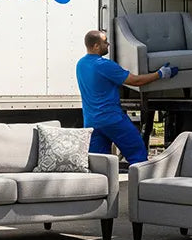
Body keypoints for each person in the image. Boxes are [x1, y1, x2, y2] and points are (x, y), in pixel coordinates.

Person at [76, 28, 178, 167]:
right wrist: (160, 74)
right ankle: (141, 180)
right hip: (112, 119)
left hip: (92, 122)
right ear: (96, 46)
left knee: (99, 163)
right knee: (138, 154)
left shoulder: (81, 64)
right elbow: (135, 81)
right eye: (105, 42)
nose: (108, 44)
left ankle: (103, 182)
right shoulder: (104, 65)